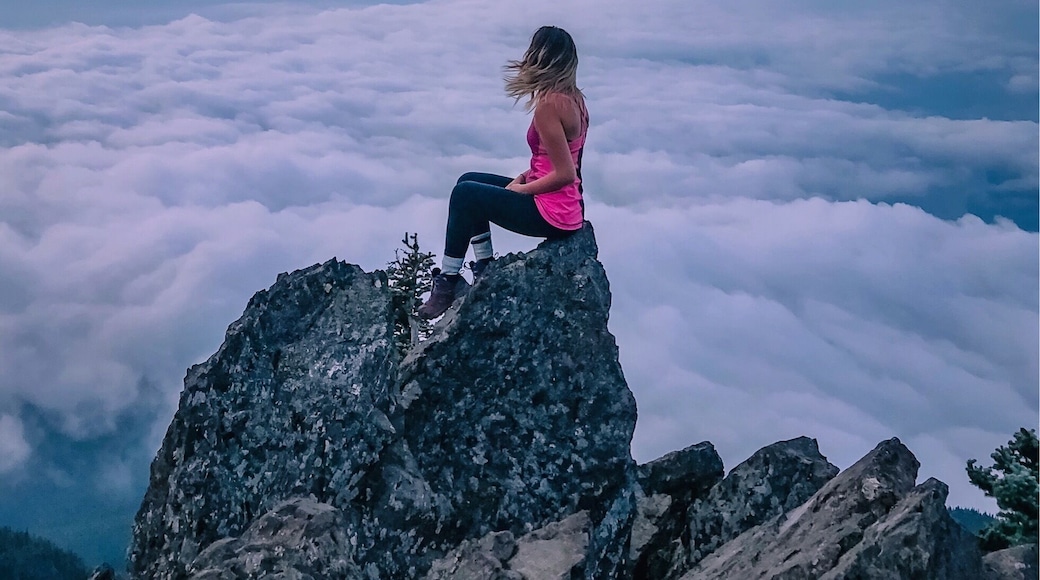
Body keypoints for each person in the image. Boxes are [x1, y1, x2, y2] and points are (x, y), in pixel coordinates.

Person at [418, 25, 589, 319]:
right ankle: (484, 267)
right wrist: (524, 176)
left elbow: (565, 173)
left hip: (552, 213)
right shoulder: (575, 99)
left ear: (540, 56)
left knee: (466, 195)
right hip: (565, 206)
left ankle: (446, 284)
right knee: (468, 181)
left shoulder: (549, 105)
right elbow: (562, 159)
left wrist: (522, 190)